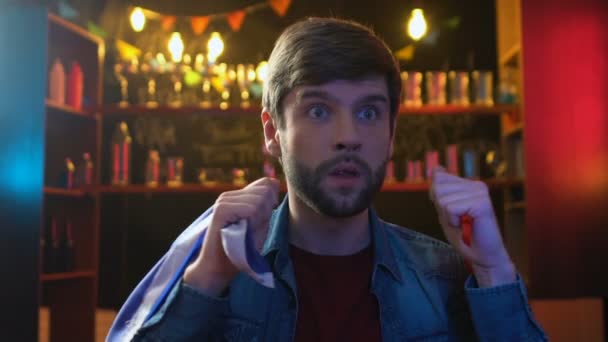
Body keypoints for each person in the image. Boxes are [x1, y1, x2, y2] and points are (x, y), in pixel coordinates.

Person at [112, 17, 547, 341]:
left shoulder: (443, 277)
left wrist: (493, 268)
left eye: (369, 112)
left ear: (392, 133)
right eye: (318, 110)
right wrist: (204, 281)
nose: (348, 138)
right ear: (272, 132)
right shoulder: (222, 273)